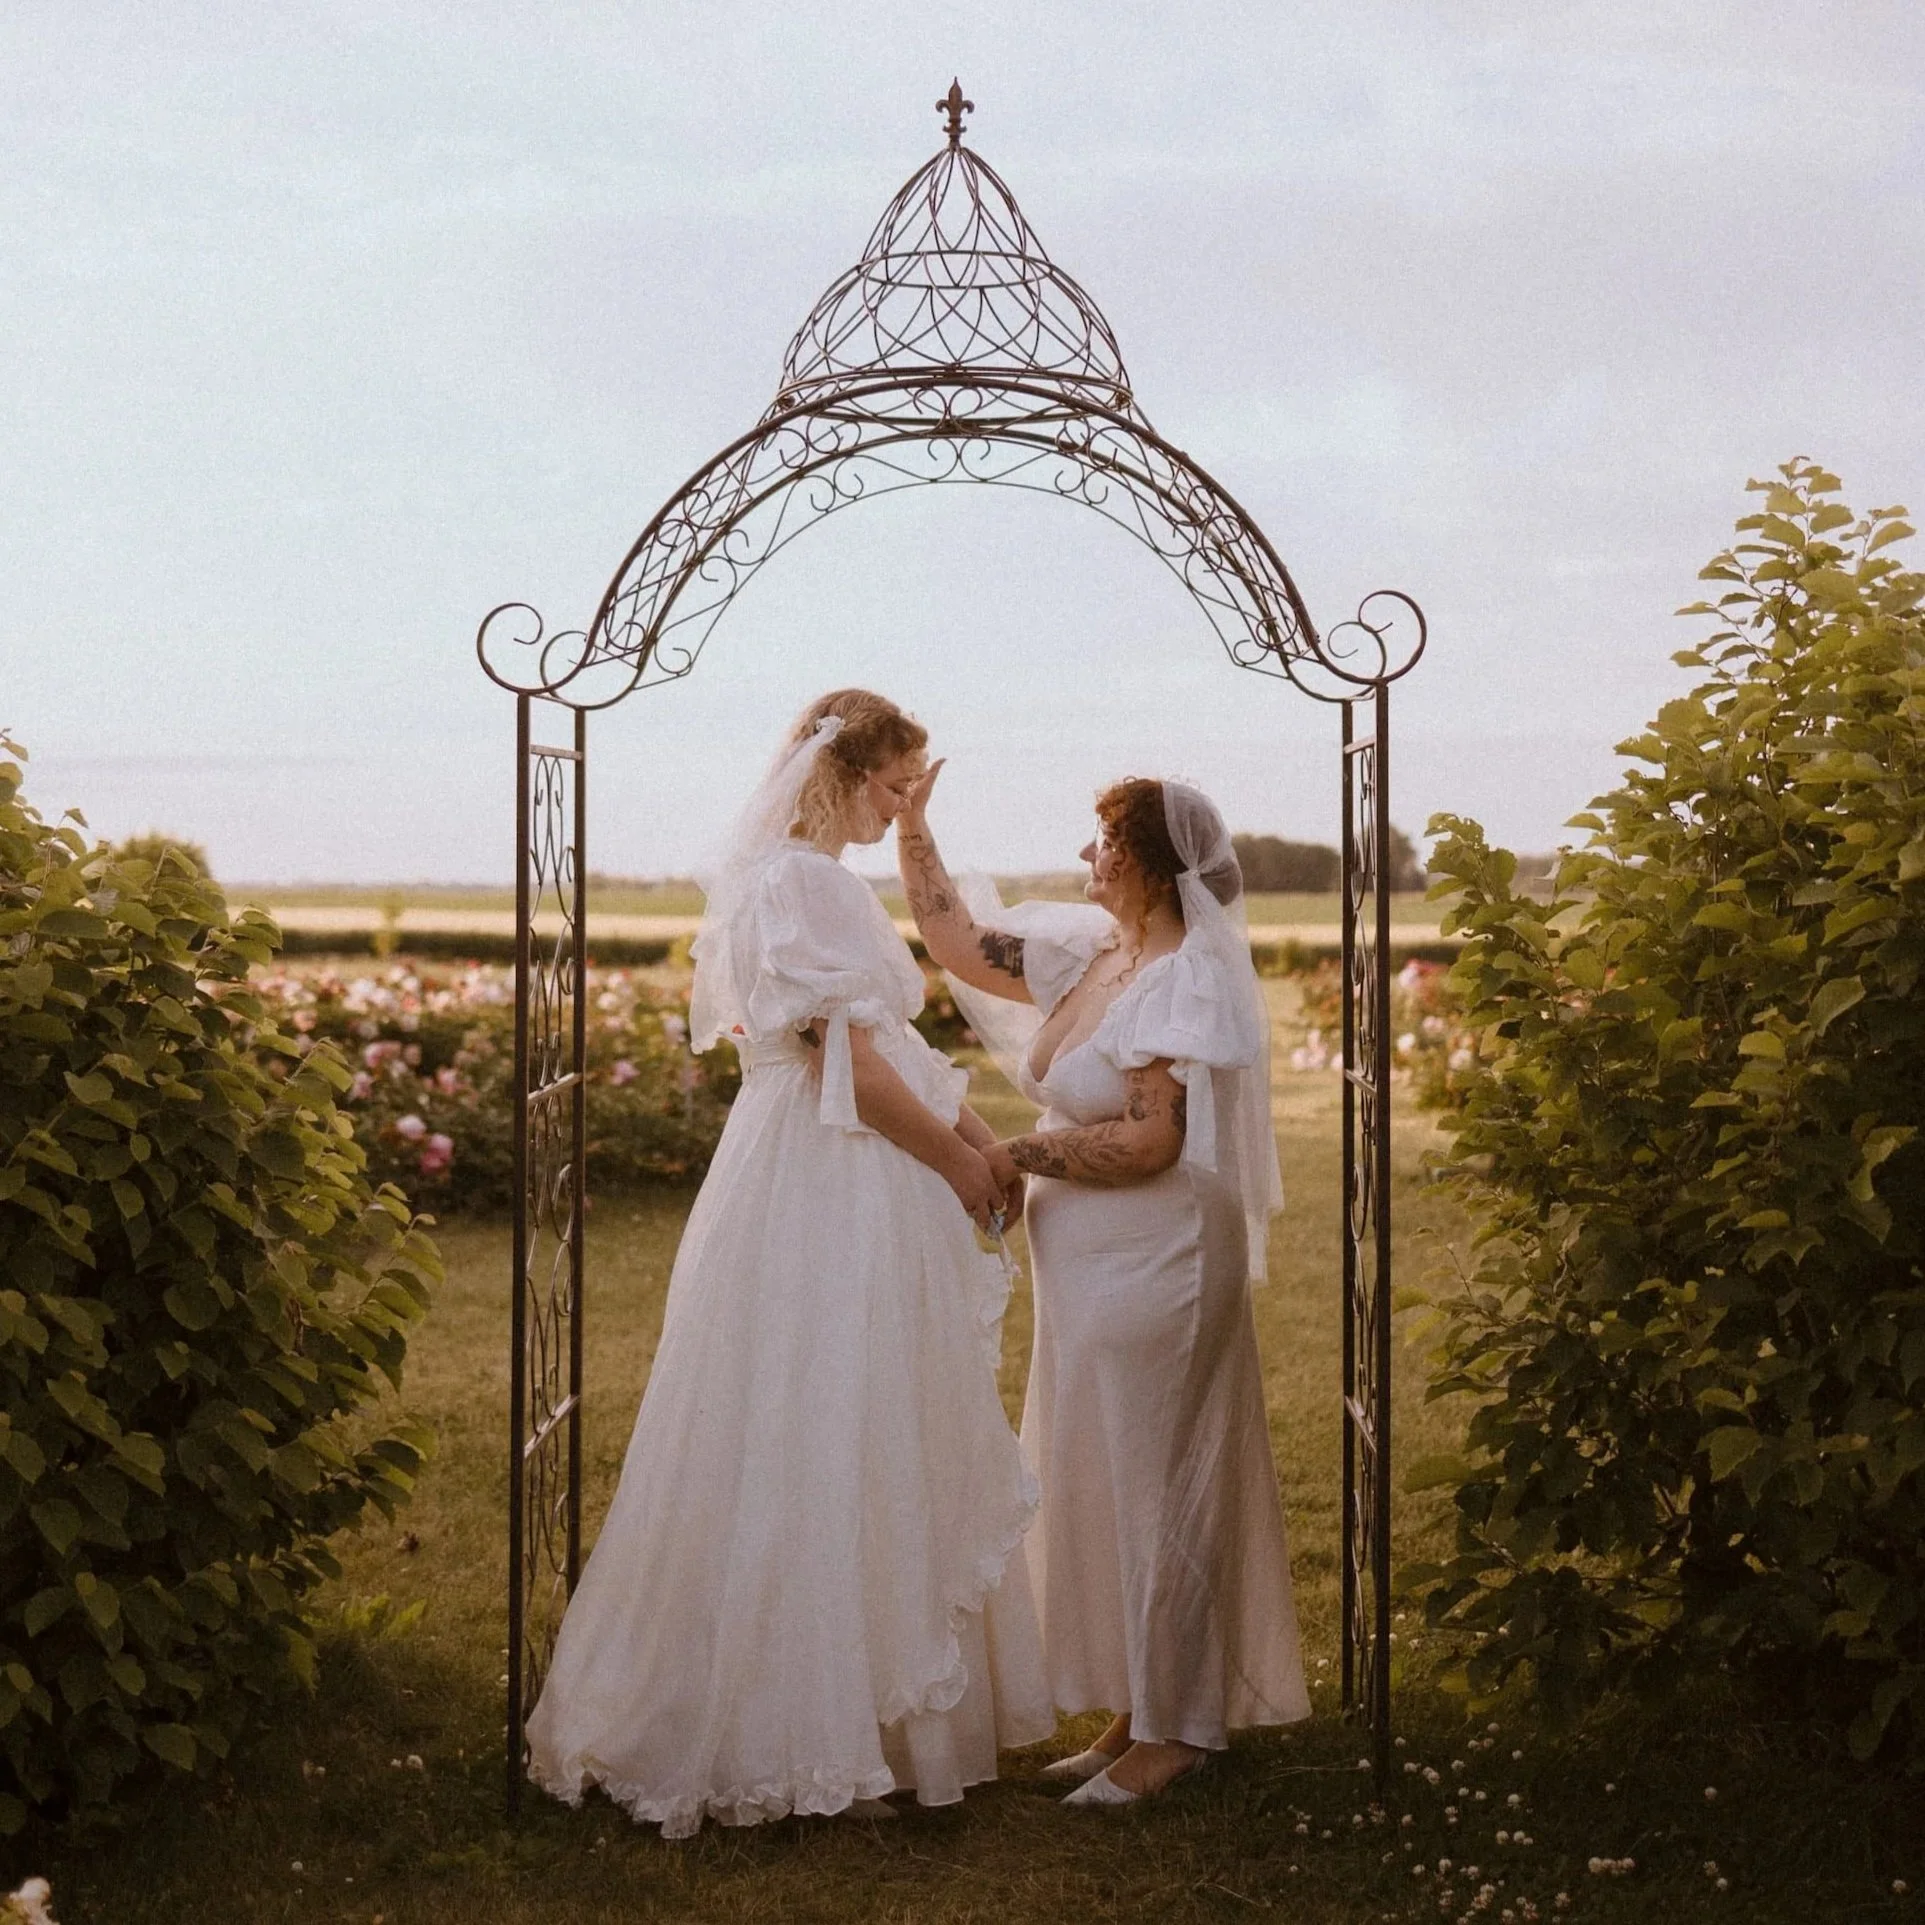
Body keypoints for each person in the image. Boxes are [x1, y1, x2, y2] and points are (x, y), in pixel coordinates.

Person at [525, 690, 1051, 1837]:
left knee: (818, 1410)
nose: (902, 807)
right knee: (830, 1415)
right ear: (849, 772)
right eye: (897, 786)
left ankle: (858, 1707)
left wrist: (975, 1136)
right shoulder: (804, 880)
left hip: (817, 1161)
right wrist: (960, 1169)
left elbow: (888, 1048)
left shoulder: (788, 873)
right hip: (832, 1169)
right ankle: (812, 1724)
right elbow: (847, 1069)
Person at [898, 769, 1310, 1807]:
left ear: (1156, 864)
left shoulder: (1182, 976)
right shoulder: (1097, 954)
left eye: (1104, 842)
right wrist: (913, 824)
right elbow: (953, 940)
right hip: (1091, 1275)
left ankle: (1177, 1729)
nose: (1088, 857)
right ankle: (1137, 1707)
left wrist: (1011, 1156)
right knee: (1102, 1474)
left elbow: (1148, 1139)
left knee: (1155, 1480)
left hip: (1158, 1261)